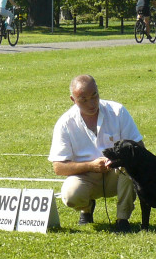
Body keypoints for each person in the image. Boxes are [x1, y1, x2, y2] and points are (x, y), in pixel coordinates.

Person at [49, 75, 144, 233]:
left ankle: (123, 219)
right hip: (86, 175)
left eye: (94, 96)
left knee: (130, 167)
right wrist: (91, 166)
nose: (92, 103)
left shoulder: (117, 111)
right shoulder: (65, 123)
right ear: (73, 99)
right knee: (70, 196)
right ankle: (86, 208)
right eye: (83, 100)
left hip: (117, 174)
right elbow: (58, 167)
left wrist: (117, 161)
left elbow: (139, 148)